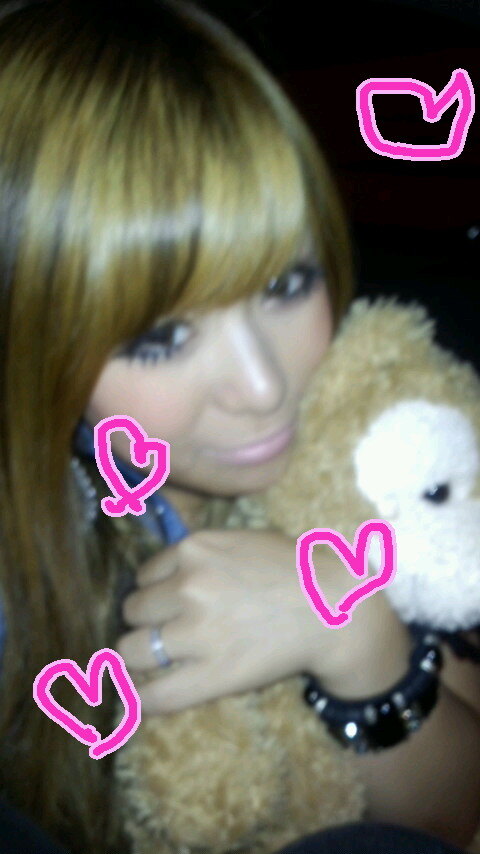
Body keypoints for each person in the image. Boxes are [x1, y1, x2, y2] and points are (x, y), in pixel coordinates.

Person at [0, 1, 479, 853]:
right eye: (160, 337)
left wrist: (358, 641)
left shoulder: (372, 424)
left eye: (286, 284)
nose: (265, 387)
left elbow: (458, 816)